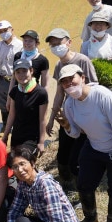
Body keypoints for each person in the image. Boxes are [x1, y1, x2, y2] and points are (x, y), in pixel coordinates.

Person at [58, 64, 112, 222]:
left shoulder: (102, 95)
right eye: (64, 82)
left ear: (82, 77)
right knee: (84, 184)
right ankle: (90, 219)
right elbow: (76, 133)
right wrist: (67, 126)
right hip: (94, 145)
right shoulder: (70, 103)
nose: (69, 84)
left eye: (72, 79)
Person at [7, 144, 83, 222]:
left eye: (22, 164)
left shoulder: (45, 183)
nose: (20, 170)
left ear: (32, 163)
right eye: (15, 167)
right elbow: (14, 211)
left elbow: (57, 221)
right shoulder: (23, 184)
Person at [45, 28, 97, 192]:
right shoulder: (59, 65)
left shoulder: (82, 60)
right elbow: (59, 93)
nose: (56, 47)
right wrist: (52, 117)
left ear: (68, 42)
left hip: (83, 114)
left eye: (58, 43)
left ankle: (80, 186)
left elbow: (94, 86)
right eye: (52, 44)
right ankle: (65, 182)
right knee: (63, 153)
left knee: (78, 154)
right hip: (68, 114)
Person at [3, 59, 48, 154]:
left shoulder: (41, 93)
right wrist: (5, 136)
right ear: (14, 75)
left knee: (24, 162)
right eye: (18, 72)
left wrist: (41, 142)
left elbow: (43, 119)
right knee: (14, 164)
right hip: (16, 136)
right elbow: (11, 115)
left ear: (31, 71)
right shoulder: (15, 91)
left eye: (24, 71)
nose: (21, 75)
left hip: (31, 138)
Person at [0, 20, 23, 128]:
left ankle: (17, 125)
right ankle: (6, 124)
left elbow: (24, 64)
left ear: (12, 29)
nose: (3, 33)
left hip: (15, 80)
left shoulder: (21, 45)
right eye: (0, 31)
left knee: (17, 104)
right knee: (3, 105)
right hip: (0, 80)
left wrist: (15, 76)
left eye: (5, 30)